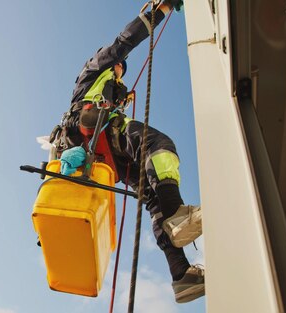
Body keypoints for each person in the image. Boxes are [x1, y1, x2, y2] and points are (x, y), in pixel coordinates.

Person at [48, 0, 205, 303]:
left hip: (105, 154)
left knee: (151, 195)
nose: (120, 69)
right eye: (119, 67)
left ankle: (181, 274)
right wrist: (160, 10)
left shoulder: (112, 91)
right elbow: (126, 40)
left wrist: (119, 97)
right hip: (95, 130)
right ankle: (175, 212)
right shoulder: (93, 72)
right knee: (158, 146)